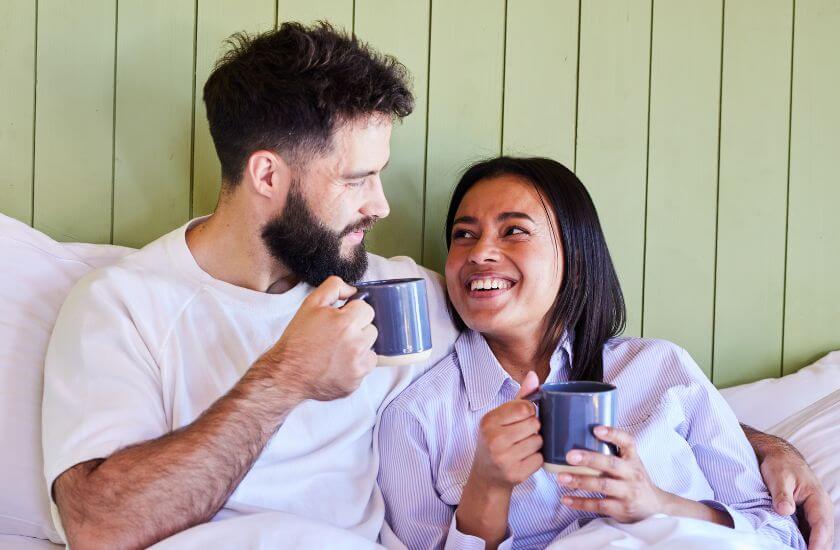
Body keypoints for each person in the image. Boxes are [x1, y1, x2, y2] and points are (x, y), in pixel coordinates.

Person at [40, 23, 830, 550]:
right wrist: (287, 376)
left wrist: (755, 442)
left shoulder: (398, 294)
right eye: (359, 180)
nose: (382, 206)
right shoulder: (123, 306)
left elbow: (568, 352)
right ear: (269, 175)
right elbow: (99, 525)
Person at [376, 157, 826, 549]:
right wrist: (487, 487)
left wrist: (657, 504)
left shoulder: (660, 370)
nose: (481, 253)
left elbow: (778, 535)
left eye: (514, 230)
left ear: (573, 254)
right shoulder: (418, 417)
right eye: (463, 235)